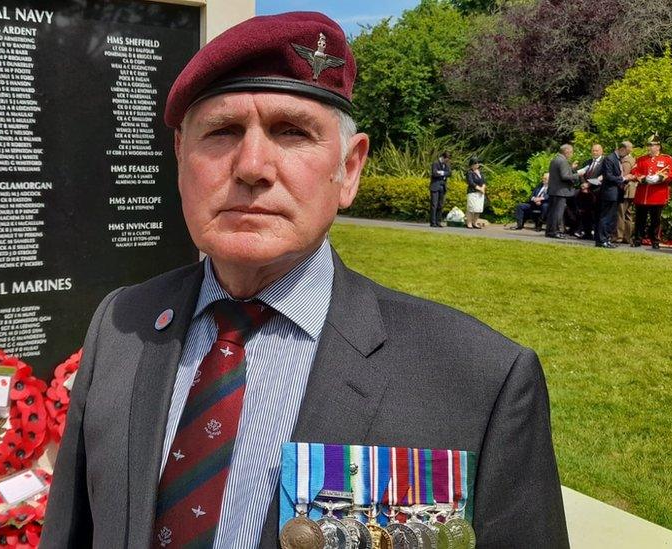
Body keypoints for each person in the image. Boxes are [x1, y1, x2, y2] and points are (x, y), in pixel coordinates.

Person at [41, 12, 568, 549]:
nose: (252, 166)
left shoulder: (478, 379)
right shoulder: (122, 322)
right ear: (180, 157)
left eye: (292, 132)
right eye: (221, 132)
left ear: (350, 169)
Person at [631, 134, 672, 250]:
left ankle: (655, 241)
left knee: (655, 221)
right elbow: (634, 171)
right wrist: (643, 178)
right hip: (642, 194)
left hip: (657, 195)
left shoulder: (666, 159)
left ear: (658, 147)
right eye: (649, 145)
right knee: (639, 219)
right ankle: (637, 239)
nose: (650, 148)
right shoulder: (641, 159)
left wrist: (660, 178)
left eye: (652, 145)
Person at [595, 142, 630, 248]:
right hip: (609, 192)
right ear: (622, 149)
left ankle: (606, 238)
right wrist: (623, 179)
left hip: (615, 193)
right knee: (606, 217)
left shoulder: (617, 159)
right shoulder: (610, 159)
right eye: (627, 152)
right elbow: (608, 176)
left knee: (611, 218)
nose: (627, 155)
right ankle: (602, 240)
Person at [546, 144, 579, 238]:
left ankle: (550, 231)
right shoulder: (563, 161)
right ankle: (555, 232)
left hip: (554, 190)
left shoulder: (555, 159)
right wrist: (578, 175)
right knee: (558, 212)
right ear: (567, 151)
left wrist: (571, 168)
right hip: (561, 191)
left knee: (552, 212)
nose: (572, 154)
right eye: (571, 152)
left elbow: (559, 173)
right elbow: (564, 176)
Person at [615, 141, 637, 244]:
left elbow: (625, 175)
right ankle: (627, 237)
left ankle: (618, 236)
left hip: (626, 189)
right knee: (628, 214)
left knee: (620, 213)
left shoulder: (627, 160)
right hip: (631, 190)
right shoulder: (632, 159)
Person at [429, 152, 452, 227]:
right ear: (443, 157)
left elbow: (449, 173)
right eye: (446, 159)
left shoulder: (446, 164)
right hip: (435, 186)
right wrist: (444, 173)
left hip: (443, 186)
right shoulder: (435, 163)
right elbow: (434, 173)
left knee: (440, 205)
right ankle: (433, 222)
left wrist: (441, 172)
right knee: (434, 205)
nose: (447, 161)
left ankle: (438, 221)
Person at [465, 157, 486, 229]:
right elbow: (471, 182)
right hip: (472, 192)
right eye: (475, 163)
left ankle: (475, 222)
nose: (477, 164)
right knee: (471, 208)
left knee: (478, 209)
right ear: (472, 164)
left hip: (480, 193)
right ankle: (469, 223)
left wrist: (483, 188)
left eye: (478, 163)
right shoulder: (469, 172)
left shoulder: (480, 172)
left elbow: (483, 181)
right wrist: (479, 188)